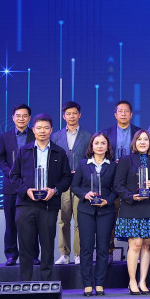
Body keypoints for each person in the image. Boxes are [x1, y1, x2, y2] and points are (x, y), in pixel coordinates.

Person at [10, 114, 72, 281]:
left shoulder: (59, 152)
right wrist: (26, 191)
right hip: (25, 204)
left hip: (48, 205)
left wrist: (55, 190)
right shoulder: (24, 151)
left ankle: (46, 284)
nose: (42, 131)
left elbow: (67, 178)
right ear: (33, 130)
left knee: (47, 245)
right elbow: (14, 176)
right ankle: (25, 283)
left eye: (46, 128)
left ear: (51, 130)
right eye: (39, 128)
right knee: (25, 246)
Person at [114, 129, 150, 295]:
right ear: (134, 142)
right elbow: (118, 185)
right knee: (135, 245)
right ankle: (132, 281)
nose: (143, 142)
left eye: (146, 139)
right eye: (139, 139)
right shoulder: (126, 160)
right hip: (132, 207)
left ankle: (143, 281)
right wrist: (131, 196)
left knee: (147, 246)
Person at [70, 133, 118, 296]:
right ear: (91, 146)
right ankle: (87, 284)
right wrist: (85, 194)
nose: (100, 146)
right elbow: (74, 186)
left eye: (103, 143)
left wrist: (108, 201)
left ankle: (99, 284)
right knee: (86, 248)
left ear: (107, 146)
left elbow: (116, 189)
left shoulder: (113, 166)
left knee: (103, 248)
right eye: (96, 143)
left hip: (106, 211)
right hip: (86, 211)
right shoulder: (83, 164)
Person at [51, 101, 92, 265]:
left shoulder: (88, 136)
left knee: (80, 220)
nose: (72, 116)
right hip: (63, 183)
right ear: (64, 116)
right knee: (63, 220)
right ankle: (64, 254)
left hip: (81, 184)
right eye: (68, 114)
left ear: (79, 115)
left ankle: (78, 254)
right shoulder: (55, 137)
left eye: (74, 113)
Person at [0, 103, 36, 266]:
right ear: (13, 118)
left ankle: (33, 256)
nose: (21, 119)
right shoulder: (5, 136)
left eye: (25, 116)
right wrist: (11, 174)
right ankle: (11, 255)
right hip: (11, 185)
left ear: (29, 118)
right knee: (11, 222)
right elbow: (1, 159)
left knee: (31, 223)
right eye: (18, 116)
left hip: (31, 186)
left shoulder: (35, 135)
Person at [102, 100, 141, 261]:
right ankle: (109, 250)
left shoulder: (139, 133)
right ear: (115, 114)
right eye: (120, 111)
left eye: (126, 111)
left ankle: (134, 252)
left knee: (134, 217)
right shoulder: (106, 133)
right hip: (112, 181)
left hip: (133, 182)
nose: (123, 114)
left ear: (131, 114)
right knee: (110, 216)